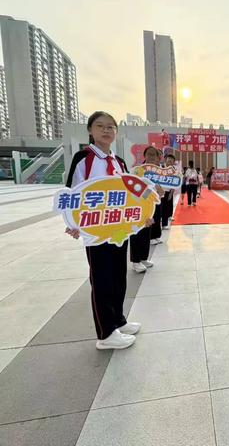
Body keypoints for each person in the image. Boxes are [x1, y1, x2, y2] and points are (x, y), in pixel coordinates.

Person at [65, 111, 141, 350]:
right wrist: (72, 223)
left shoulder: (119, 162)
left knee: (119, 275)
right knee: (101, 278)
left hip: (118, 229)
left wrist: (142, 215)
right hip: (95, 230)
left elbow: (130, 194)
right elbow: (71, 193)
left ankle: (118, 320)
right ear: (90, 130)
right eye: (100, 126)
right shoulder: (84, 159)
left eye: (111, 127)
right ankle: (106, 333)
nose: (106, 131)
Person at [131, 146, 163, 272]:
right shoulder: (138, 170)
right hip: (139, 205)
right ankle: (135, 260)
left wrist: (160, 190)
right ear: (145, 156)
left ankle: (143, 257)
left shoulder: (158, 171)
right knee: (137, 231)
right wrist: (153, 190)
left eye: (154, 155)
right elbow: (135, 187)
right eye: (149, 155)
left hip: (151, 205)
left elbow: (162, 186)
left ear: (157, 158)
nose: (151, 157)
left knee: (147, 231)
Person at [161, 153, 176, 229]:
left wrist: (171, 193)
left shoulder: (174, 171)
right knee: (159, 209)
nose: (170, 162)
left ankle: (164, 224)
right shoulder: (160, 168)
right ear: (165, 160)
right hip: (159, 191)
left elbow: (175, 183)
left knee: (166, 208)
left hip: (168, 192)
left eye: (171, 161)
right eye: (168, 160)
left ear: (173, 162)